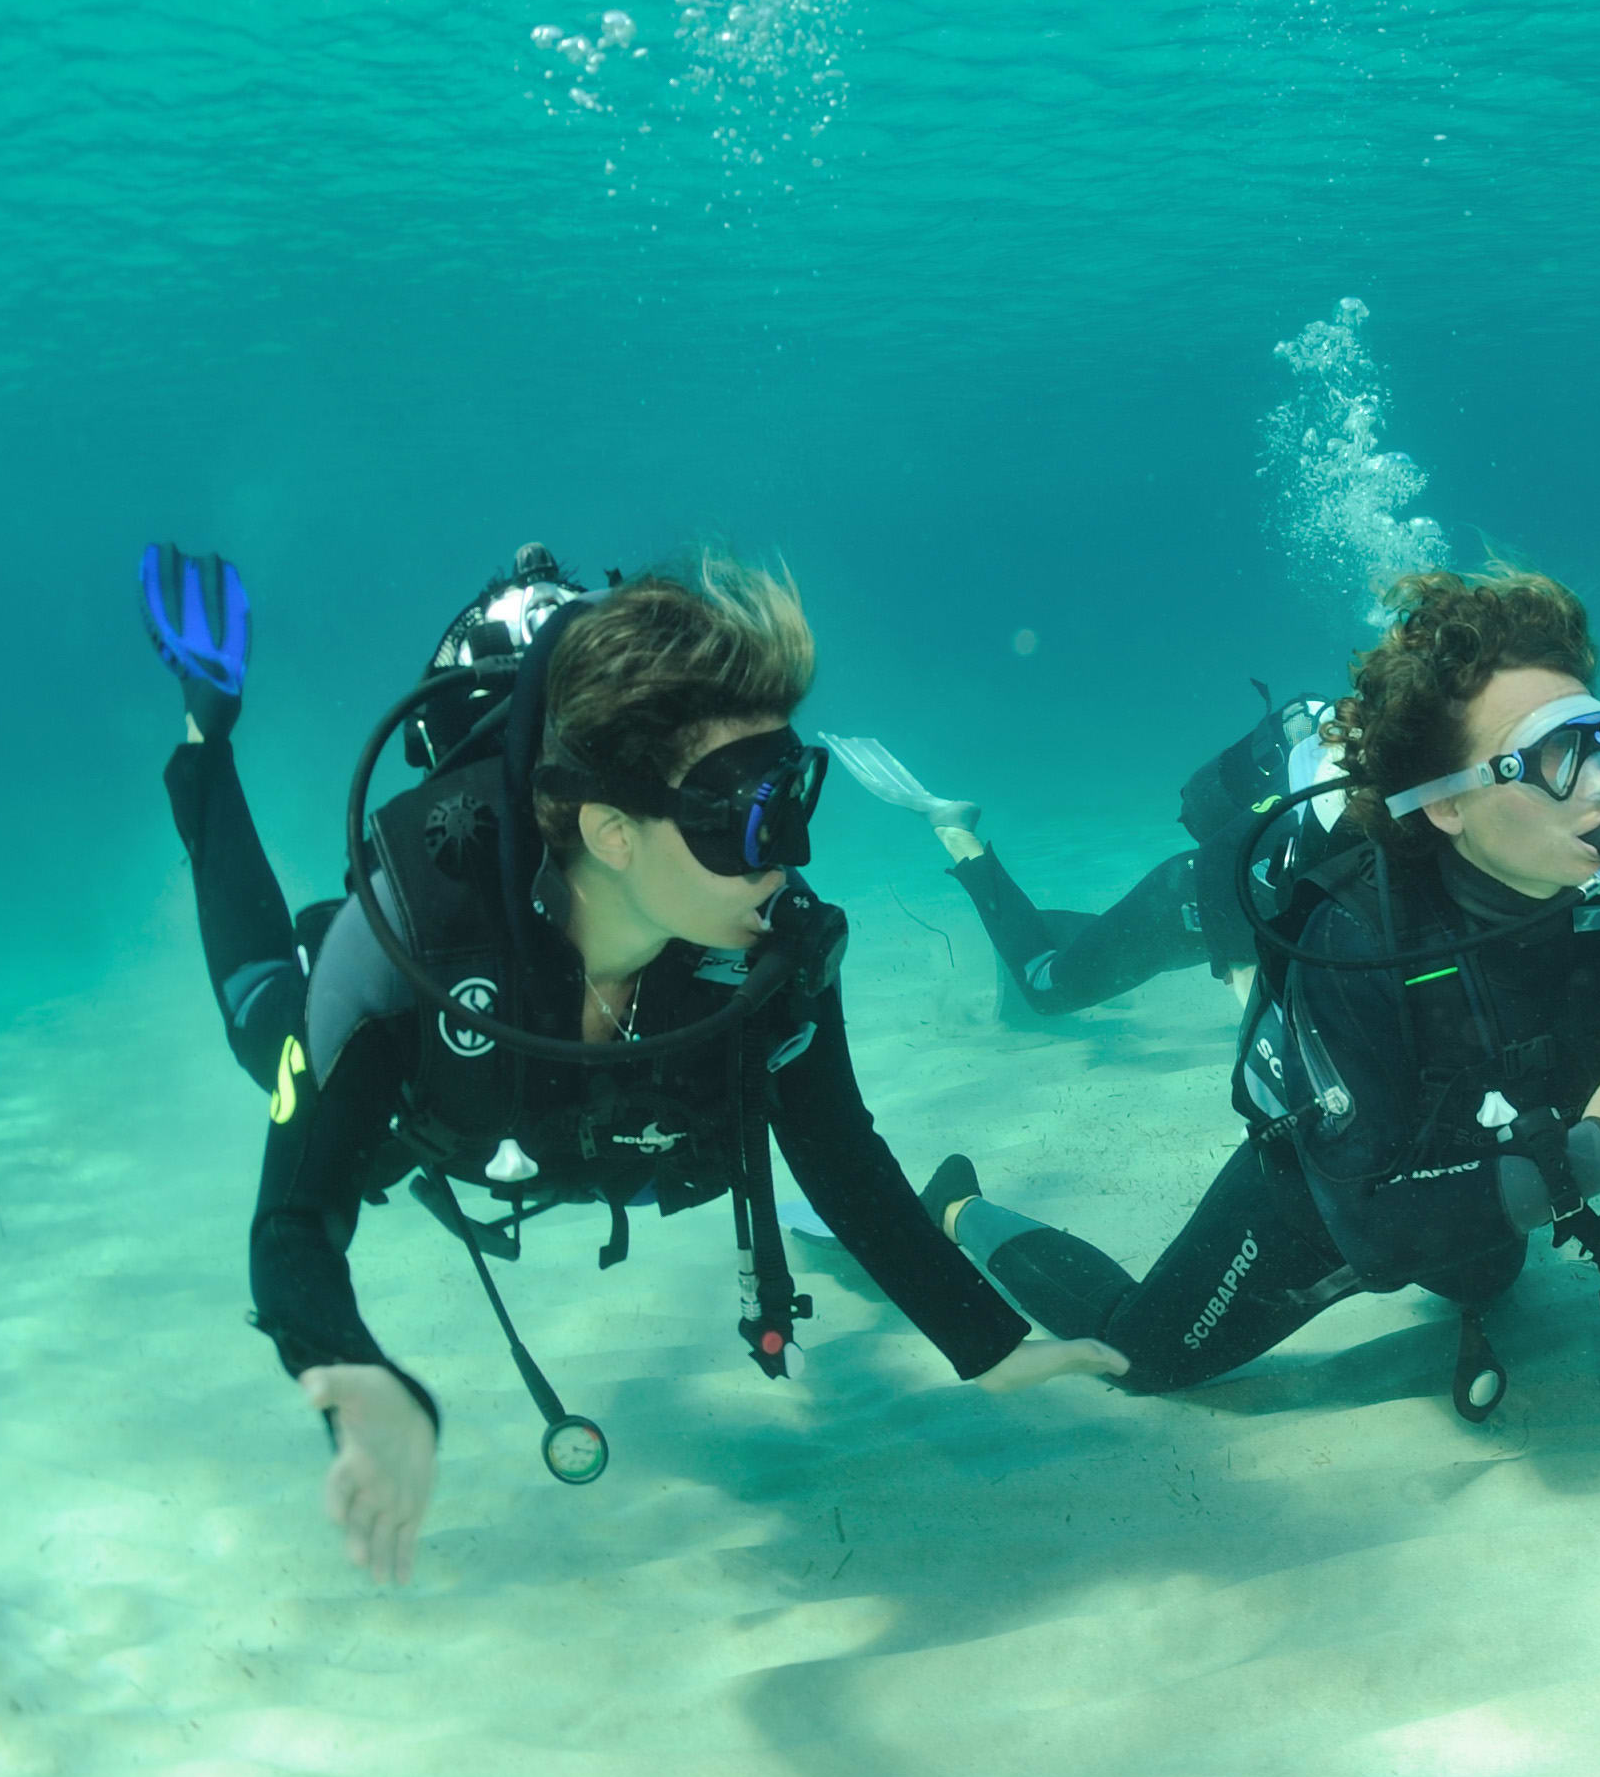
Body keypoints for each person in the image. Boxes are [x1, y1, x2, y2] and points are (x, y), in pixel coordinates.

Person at [143, 541, 1121, 1587]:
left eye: (792, 799)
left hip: (613, 1129)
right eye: (742, 821)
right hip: (451, 1099)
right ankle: (206, 734)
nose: (786, 858)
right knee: (265, 1026)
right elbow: (293, 1222)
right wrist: (352, 1371)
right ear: (611, 832)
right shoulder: (407, 939)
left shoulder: (770, 950)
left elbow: (839, 1155)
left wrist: (986, 1341)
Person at [937, 566, 1600, 1421]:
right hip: (1257, 1018)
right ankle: (956, 1181)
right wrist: (1595, 1155)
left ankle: (1071, 928)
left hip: (1461, 1148)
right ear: (1447, 797)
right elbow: (1375, 1228)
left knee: (1488, 1275)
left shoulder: (1577, 833)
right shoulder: (1343, 911)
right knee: (1056, 992)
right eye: (1555, 751)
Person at [819, 696, 1326, 1019]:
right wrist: (1241, 969)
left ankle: (1027, 926)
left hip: (1192, 907)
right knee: (1044, 988)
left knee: (1115, 942)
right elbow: (1224, 859)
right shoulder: (1341, 787)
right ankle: (954, 831)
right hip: (1185, 906)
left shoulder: (1341, 774)